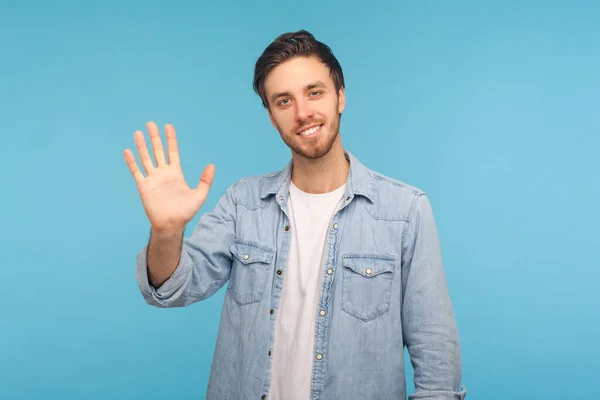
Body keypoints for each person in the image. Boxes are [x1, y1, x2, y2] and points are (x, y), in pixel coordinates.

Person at [124, 29, 466, 400]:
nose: (303, 113)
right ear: (271, 117)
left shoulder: (406, 211)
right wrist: (166, 232)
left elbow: (435, 351)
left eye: (314, 92)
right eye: (283, 101)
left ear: (341, 97)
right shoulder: (243, 202)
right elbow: (172, 289)